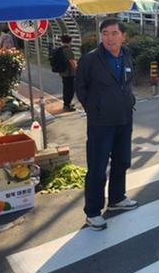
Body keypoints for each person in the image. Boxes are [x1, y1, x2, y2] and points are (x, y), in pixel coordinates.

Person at [75, 18, 138, 231]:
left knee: (122, 161)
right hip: (101, 123)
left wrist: (130, 101)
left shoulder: (127, 54)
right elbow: (81, 88)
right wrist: (95, 109)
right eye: (105, 33)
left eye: (113, 33)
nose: (109, 38)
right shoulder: (90, 60)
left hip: (124, 118)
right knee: (97, 168)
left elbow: (128, 82)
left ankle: (117, 198)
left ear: (123, 36)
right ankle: (92, 212)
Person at [59, 34, 78, 112]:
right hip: (69, 73)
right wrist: (78, 70)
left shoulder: (60, 49)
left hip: (63, 72)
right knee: (69, 89)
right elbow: (72, 62)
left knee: (66, 88)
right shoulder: (68, 50)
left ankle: (67, 103)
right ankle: (67, 105)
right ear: (70, 41)